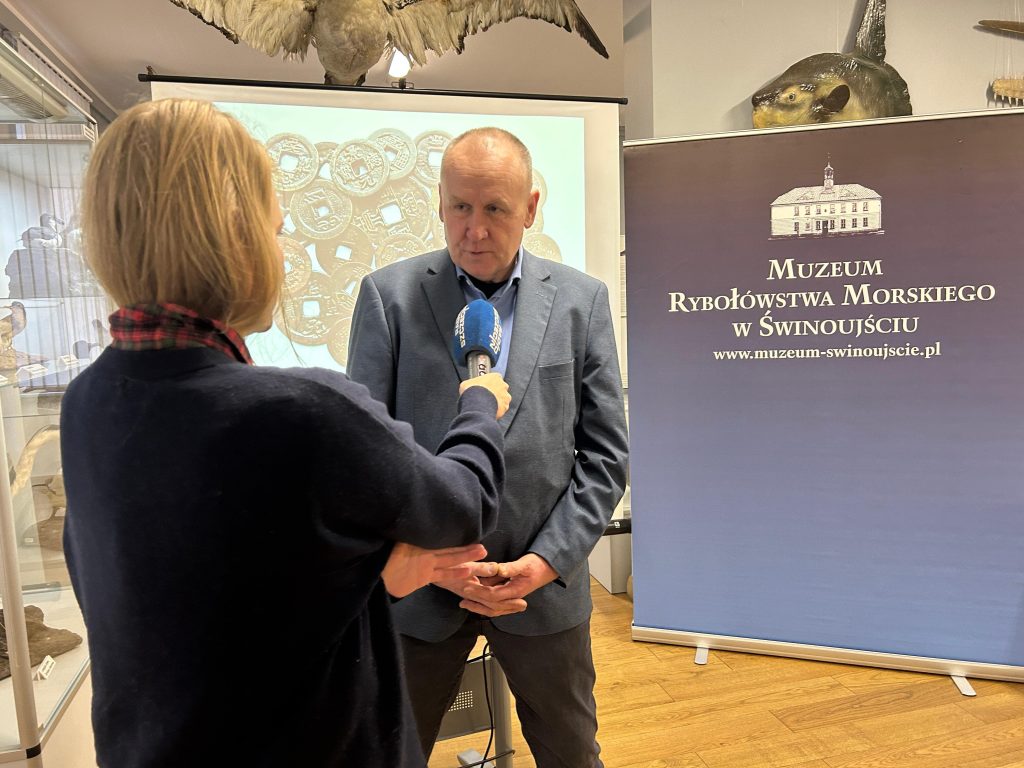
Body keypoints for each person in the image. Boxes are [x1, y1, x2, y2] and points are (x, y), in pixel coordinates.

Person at [60, 99, 511, 768]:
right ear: (234, 237)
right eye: (276, 230)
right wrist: (478, 404)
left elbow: (213, 605)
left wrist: (361, 578)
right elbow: (462, 506)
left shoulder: (88, 401)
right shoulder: (305, 412)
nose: (283, 251)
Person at [348, 127, 629, 767]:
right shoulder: (388, 297)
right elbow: (365, 455)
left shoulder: (581, 301)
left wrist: (546, 562)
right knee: (388, 754)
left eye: (495, 209)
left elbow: (605, 455)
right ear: (440, 203)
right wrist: (422, 559)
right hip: (419, 593)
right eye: (459, 207)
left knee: (570, 754)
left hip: (542, 589)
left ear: (530, 207)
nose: (474, 230)